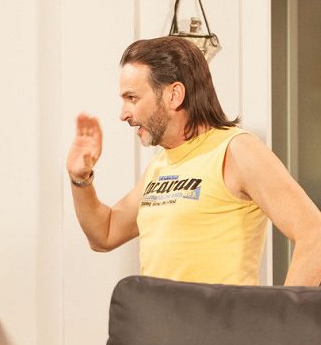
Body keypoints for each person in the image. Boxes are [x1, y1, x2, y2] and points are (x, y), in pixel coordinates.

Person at [66, 36, 321, 286]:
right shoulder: (161, 165)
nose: (123, 114)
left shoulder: (237, 150)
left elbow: (315, 236)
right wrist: (80, 177)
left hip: (222, 317)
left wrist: (282, 314)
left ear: (174, 95)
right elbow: (105, 234)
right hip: (158, 316)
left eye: (132, 98)